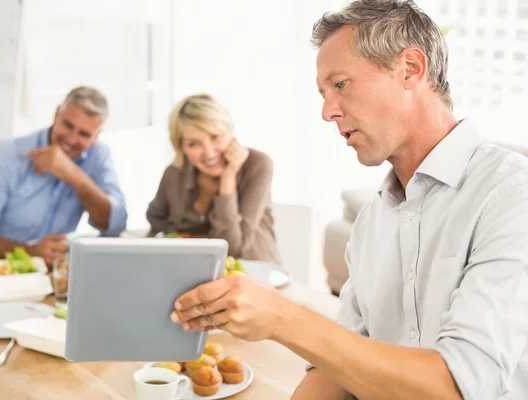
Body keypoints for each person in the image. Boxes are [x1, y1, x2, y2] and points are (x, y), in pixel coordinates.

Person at [169, 1, 528, 399]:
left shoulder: (511, 195)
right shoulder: (373, 221)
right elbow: (335, 373)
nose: (326, 111)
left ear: (411, 68)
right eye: (323, 93)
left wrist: (282, 318)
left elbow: (458, 387)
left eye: (340, 84)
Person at [0, 86, 127, 266]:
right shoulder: (8, 154)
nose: (71, 138)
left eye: (84, 134)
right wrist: (28, 252)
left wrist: (73, 174)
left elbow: (116, 225)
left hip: (52, 277)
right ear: (56, 115)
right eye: (68, 125)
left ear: (96, 136)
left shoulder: (98, 156)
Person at [146, 93, 280, 263]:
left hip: (254, 274)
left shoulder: (258, 165)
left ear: (229, 132)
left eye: (215, 137)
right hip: (194, 272)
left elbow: (233, 248)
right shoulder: (174, 173)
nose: (209, 153)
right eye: (193, 144)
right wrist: (186, 237)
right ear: (181, 147)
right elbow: (155, 217)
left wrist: (229, 176)